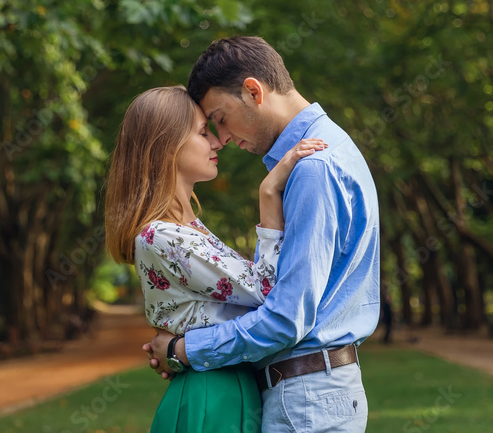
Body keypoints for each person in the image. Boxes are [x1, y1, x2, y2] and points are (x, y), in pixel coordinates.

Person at [145, 36, 381, 433]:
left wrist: (186, 349)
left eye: (219, 118)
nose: (221, 138)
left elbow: (287, 319)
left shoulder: (313, 169)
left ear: (253, 91)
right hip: (312, 394)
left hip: (306, 400)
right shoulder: (322, 154)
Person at [105, 85, 327, 432]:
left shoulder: (184, 229)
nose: (217, 141)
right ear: (166, 146)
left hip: (224, 387)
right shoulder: (163, 236)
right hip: (213, 395)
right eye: (203, 132)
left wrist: (177, 350)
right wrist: (269, 196)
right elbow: (268, 291)